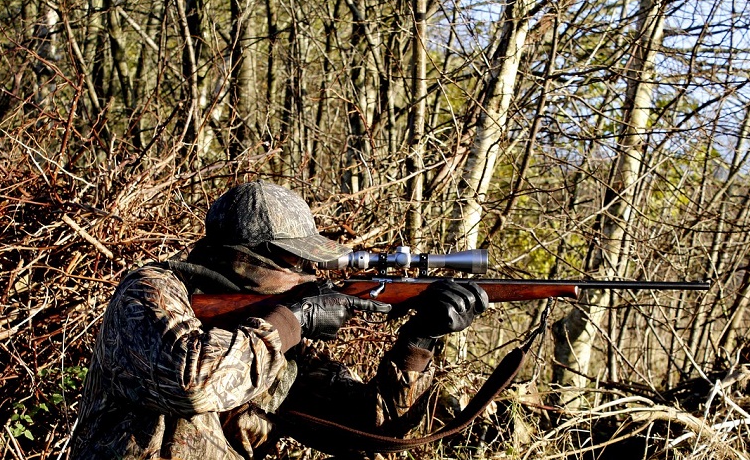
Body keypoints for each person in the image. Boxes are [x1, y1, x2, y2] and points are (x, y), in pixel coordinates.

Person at [68, 180, 488, 459]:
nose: (310, 275)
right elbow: (192, 384)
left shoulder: (274, 344)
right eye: (298, 262)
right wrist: (294, 320)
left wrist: (419, 341)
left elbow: (376, 430)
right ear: (248, 259)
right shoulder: (151, 292)